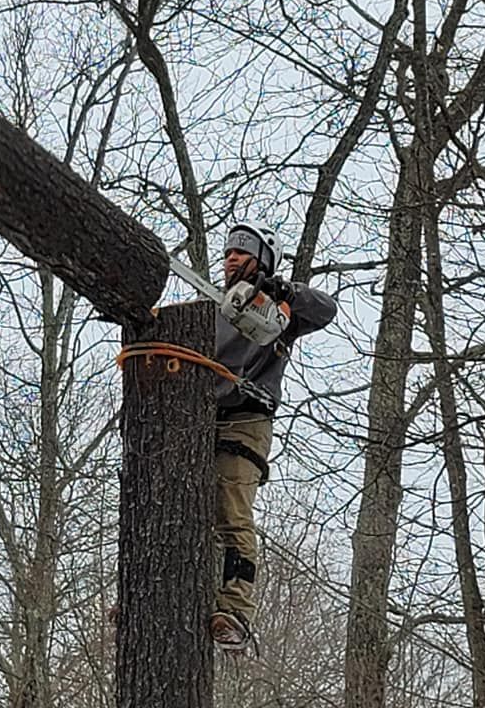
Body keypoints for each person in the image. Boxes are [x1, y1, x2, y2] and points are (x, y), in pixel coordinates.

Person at [210, 219, 337, 652]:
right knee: (177, 508)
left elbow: (326, 308)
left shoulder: (282, 309)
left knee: (231, 508)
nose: (232, 260)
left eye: (242, 253)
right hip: (201, 417)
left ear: (262, 259)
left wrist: (282, 290)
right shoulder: (212, 308)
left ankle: (235, 609)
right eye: (228, 253)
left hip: (247, 417)